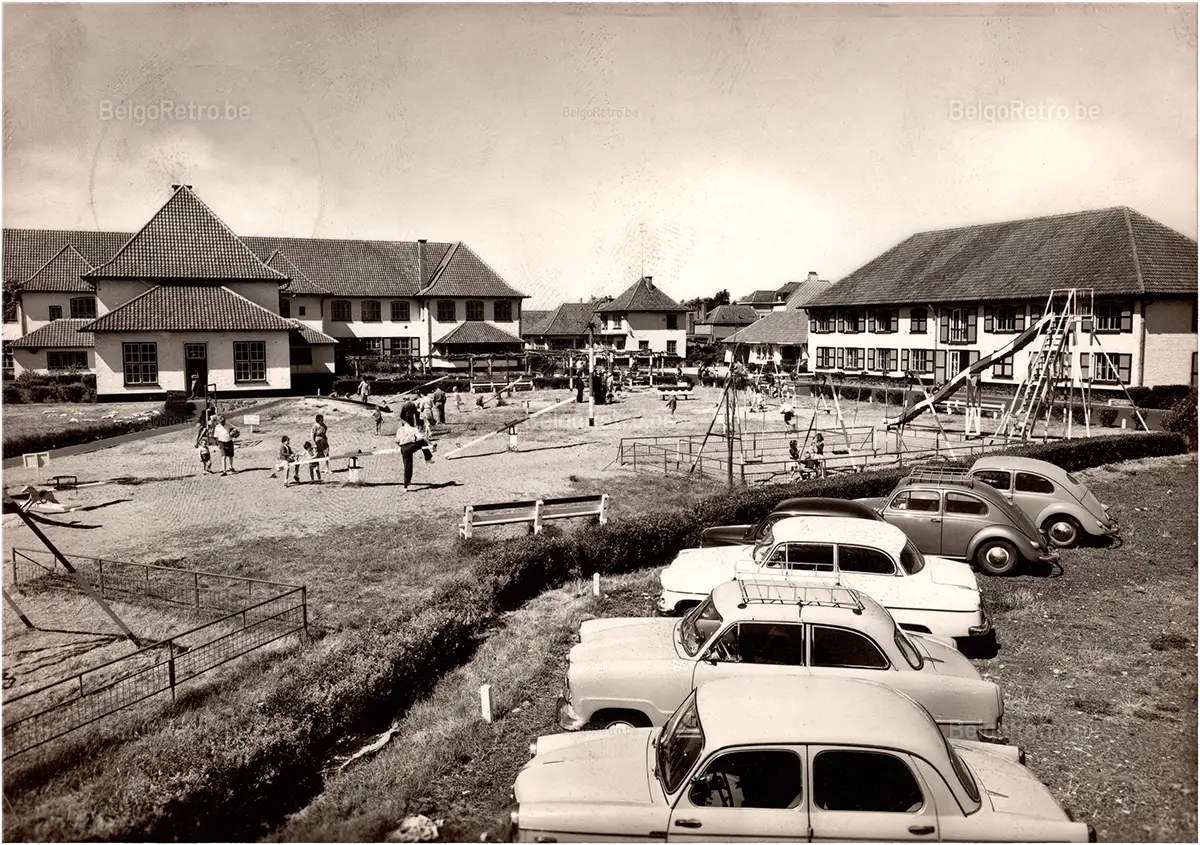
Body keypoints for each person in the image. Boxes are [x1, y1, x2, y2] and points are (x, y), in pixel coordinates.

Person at [394, 418, 434, 490]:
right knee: (422, 441)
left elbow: (397, 441)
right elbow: (422, 437)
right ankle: (428, 458)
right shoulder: (413, 429)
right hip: (411, 446)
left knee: (407, 466)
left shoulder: (399, 430)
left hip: (403, 449)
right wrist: (431, 443)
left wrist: (402, 447)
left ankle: (405, 486)